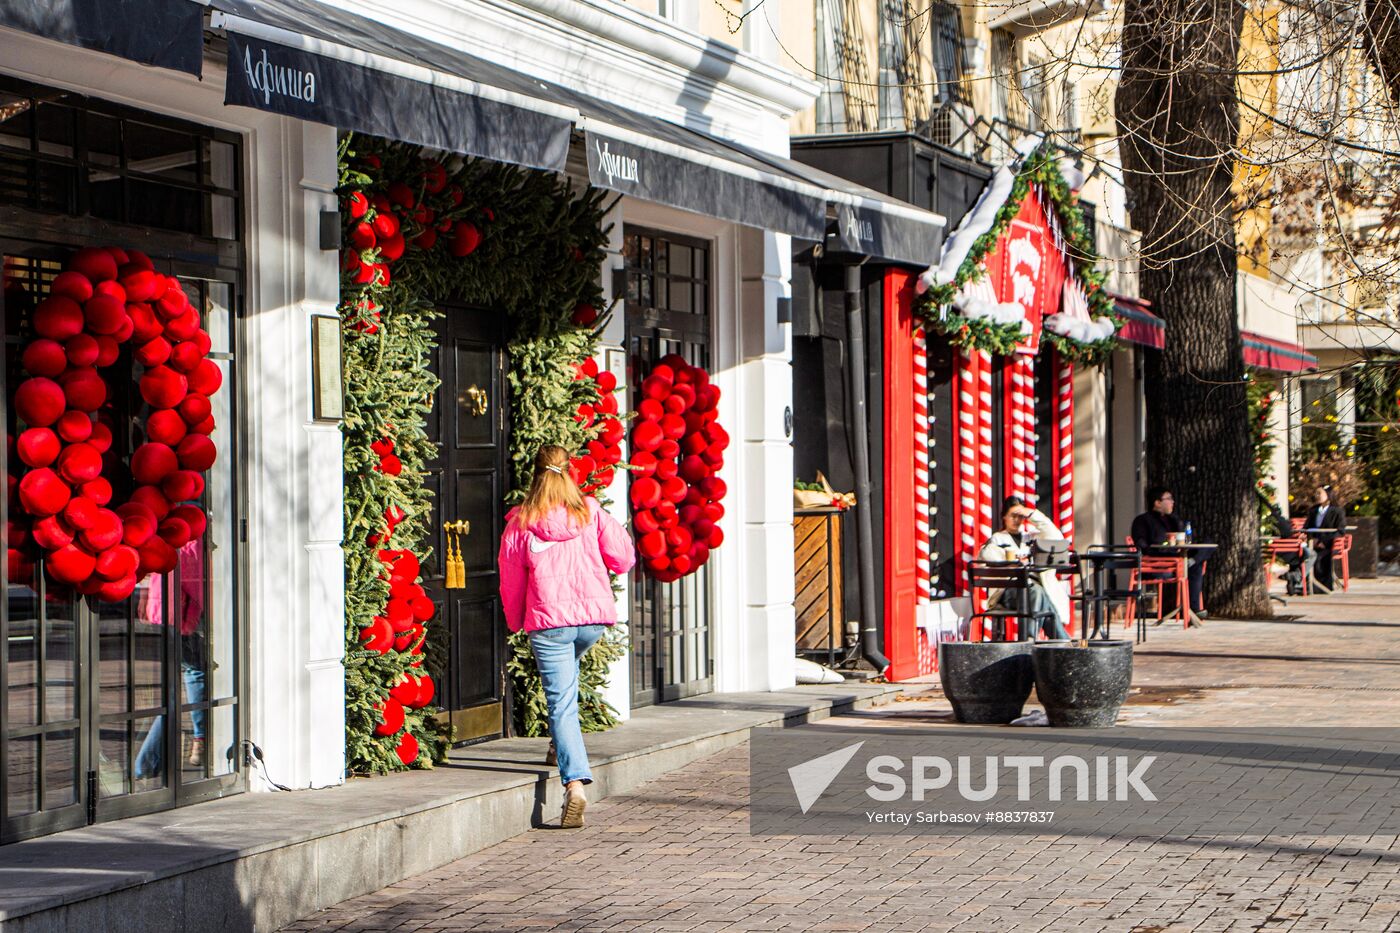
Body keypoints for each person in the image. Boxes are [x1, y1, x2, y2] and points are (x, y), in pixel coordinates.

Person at [498, 445, 635, 829]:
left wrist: (514, 621)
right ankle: (558, 746)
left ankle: (574, 784)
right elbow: (623, 559)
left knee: (561, 704)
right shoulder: (590, 512)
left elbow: (512, 581)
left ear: (535, 475)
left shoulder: (521, 523)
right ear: (570, 472)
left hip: (549, 623)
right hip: (590, 623)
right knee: (566, 688)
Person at [979, 497, 1070, 640]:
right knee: (1039, 594)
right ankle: (1059, 643)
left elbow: (1057, 537)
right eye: (1012, 516)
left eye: (1020, 516)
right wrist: (1013, 558)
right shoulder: (998, 538)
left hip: (1033, 589)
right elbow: (986, 554)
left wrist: (1032, 514)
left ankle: (1031, 641)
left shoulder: (1031, 537)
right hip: (1008, 591)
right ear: (1004, 517)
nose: (1016, 520)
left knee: (1039, 596)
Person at [1130, 486, 1207, 621]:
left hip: (1176, 558)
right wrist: (1161, 547)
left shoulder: (1173, 519)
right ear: (1157, 502)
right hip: (1159, 563)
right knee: (1196, 568)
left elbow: (1184, 538)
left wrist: (1176, 523)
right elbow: (1142, 544)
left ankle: (1191, 561)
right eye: (1169, 499)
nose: (1172, 502)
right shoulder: (1143, 520)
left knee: (1207, 545)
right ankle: (1193, 610)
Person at [1261, 492, 1314, 596]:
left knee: (1303, 554)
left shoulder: (1263, 520)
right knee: (1310, 554)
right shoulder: (1275, 519)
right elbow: (1287, 532)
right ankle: (1296, 578)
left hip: (1268, 551)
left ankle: (1295, 583)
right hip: (1282, 552)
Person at [1303, 485, 1346, 591]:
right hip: (1313, 542)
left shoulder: (1337, 511)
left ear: (1328, 495)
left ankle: (1322, 586)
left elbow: (1340, 531)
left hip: (1328, 543)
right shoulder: (1313, 511)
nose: (1317, 496)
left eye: (1320, 493)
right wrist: (1311, 539)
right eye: (1316, 493)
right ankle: (1303, 584)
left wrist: (1325, 541)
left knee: (1321, 557)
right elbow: (1306, 528)